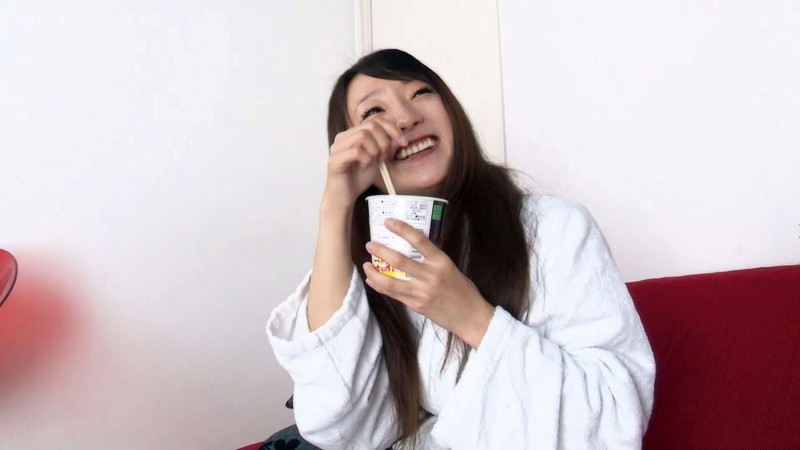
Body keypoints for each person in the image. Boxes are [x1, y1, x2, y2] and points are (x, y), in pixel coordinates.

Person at [265, 49, 655, 449]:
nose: (405, 117)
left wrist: (470, 315)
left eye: (420, 92)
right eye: (374, 112)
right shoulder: (374, 264)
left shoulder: (554, 227)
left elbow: (615, 420)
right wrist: (336, 203)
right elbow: (336, 423)